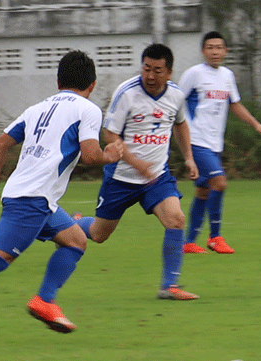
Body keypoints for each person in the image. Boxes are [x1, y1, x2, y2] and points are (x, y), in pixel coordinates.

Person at [0, 50, 124, 348]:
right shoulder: (88, 108)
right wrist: (112, 155)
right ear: (92, 85)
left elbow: (1, 144)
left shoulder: (38, 108)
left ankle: (45, 300)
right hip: (33, 199)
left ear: (58, 80)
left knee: (75, 241)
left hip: (32, 196)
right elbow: (91, 154)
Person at [74, 44, 200, 301]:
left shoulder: (175, 96)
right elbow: (109, 134)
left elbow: (181, 123)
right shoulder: (127, 93)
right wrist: (135, 162)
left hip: (156, 178)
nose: (150, 76)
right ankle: (75, 222)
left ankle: (170, 286)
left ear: (169, 72)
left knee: (176, 218)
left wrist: (189, 157)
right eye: (146, 69)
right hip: (121, 178)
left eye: (157, 70)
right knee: (99, 235)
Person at [178, 31, 261, 254]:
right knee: (219, 183)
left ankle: (189, 242)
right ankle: (215, 237)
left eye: (219, 47)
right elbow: (176, 102)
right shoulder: (193, 74)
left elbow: (235, 104)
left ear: (225, 51)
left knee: (203, 191)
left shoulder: (227, 76)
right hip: (196, 140)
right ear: (203, 51)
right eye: (210, 47)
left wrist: (256, 124)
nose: (215, 51)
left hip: (215, 143)